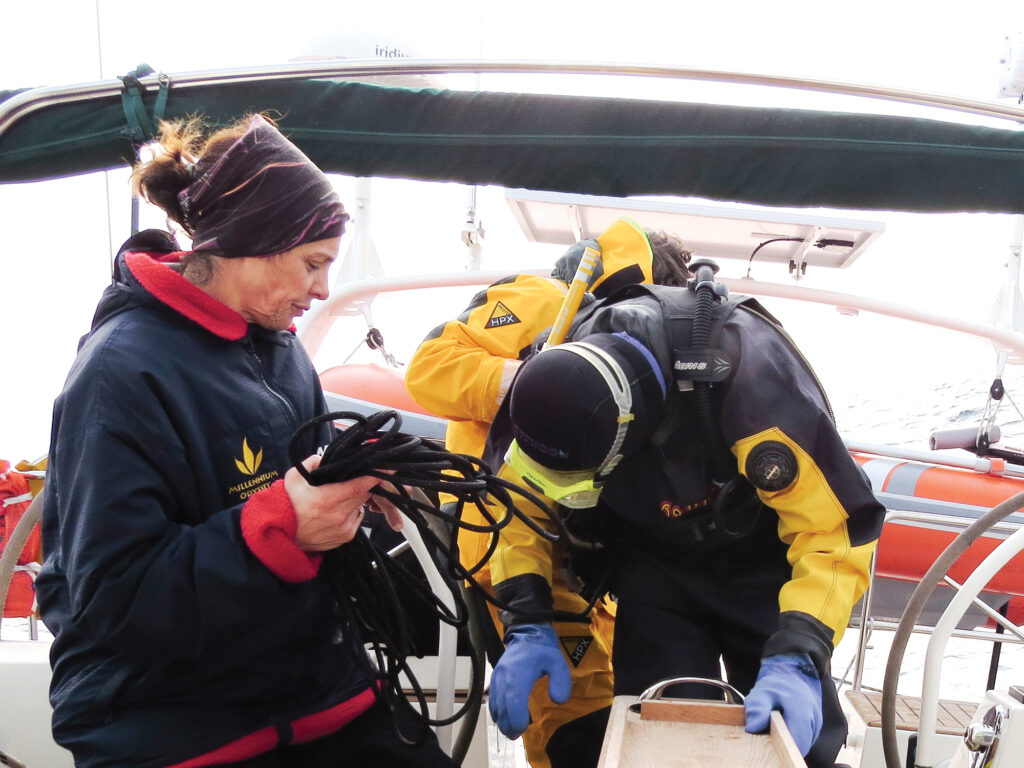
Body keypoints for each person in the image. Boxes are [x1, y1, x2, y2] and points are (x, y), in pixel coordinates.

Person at [34, 114, 456, 768]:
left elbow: (303, 490)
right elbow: (114, 595)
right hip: (168, 717)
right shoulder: (119, 374)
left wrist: (357, 487)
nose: (322, 290)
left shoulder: (283, 353)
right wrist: (281, 526)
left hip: (313, 688)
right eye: (313, 264)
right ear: (252, 241)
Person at [482, 265, 885, 768]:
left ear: (631, 437)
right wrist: (526, 622)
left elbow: (832, 530)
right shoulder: (551, 382)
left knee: (792, 746)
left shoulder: (752, 381)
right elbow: (519, 511)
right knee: (657, 735)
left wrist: (799, 654)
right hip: (655, 566)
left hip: (764, 565)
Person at [405, 217, 691, 768]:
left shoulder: (645, 354)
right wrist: (540, 384)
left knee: (614, 703)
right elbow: (429, 367)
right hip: (505, 537)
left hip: (578, 551)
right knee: (572, 715)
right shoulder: (542, 300)